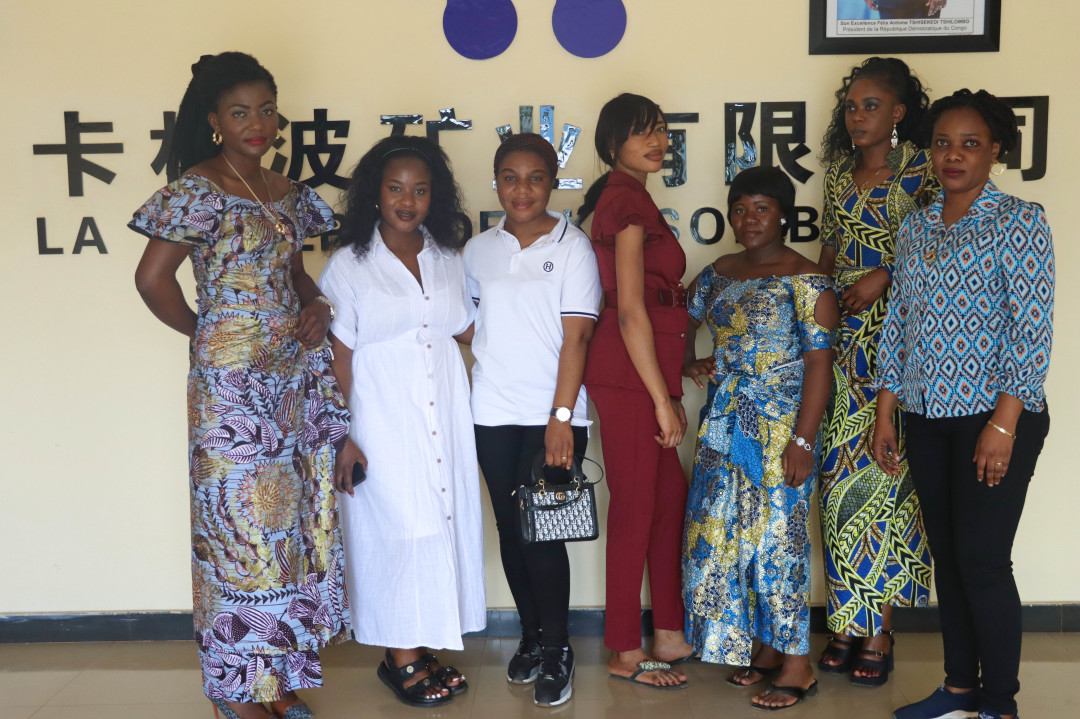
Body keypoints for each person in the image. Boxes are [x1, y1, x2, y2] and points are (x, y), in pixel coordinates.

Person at [129, 52, 350, 719]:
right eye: (240, 112)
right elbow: (151, 280)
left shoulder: (287, 192)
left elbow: (295, 274)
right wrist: (209, 335)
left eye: (266, 110)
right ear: (215, 121)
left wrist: (317, 307)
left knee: (284, 533)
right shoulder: (198, 189)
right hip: (230, 394)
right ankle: (232, 691)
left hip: (290, 384)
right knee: (235, 533)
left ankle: (274, 681)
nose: (257, 123)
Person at [874, 89, 1053, 719]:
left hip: (996, 416)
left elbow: (1032, 329)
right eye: (943, 143)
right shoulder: (917, 226)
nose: (953, 155)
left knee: (982, 560)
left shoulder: (1019, 221)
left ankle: (999, 704)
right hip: (927, 416)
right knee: (947, 560)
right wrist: (886, 410)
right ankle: (958, 690)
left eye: (970, 144)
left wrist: (1003, 424)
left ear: (995, 149)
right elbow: (900, 321)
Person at [318, 135, 485, 708]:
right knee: (397, 529)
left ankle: (420, 642)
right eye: (395, 189)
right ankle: (400, 656)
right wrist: (341, 435)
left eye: (419, 190)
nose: (407, 201)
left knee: (439, 522)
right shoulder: (350, 265)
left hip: (445, 412)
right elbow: (337, 357)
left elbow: (466, 328)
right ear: (375, 193)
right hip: (381, 418)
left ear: (435, 197)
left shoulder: (447, 258)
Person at [681, 166, 838, 711]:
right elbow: (682, 319)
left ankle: (798, 665)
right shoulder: (719, 272)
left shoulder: (807, 279)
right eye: (740, 209)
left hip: (779, 433)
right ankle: (766, 649)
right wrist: (689, 361)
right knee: (724, 536)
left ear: (784, 216)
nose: (749, 219)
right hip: (724, 427)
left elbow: (820, 366)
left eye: (762, 209)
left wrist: (804, 441)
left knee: (778, 541)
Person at [464, 133, 601, 707]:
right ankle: (529, 635)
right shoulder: (478, 250)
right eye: (510, 178)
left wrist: (561, 417)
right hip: (492, 411)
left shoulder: (574, 247)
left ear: (552, 182)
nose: (522, 190)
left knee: (543, 534)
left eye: (536, 177)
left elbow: (578, 337)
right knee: (511, 531)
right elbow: (468, 324)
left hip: (553, 415)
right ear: (496, 182)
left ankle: (557, 649)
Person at [815, 56, 937, 686]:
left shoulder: (922, 168)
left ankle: (879, 628)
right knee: (839, 481)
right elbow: (831, 245)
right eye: (851, 106)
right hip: (843, 342)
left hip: (897, 336)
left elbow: (937, 244)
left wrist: (883, 275)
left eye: (871, 105)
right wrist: (819, 305)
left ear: (898, 112)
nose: (857, 116)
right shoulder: (839, 173)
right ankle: (845, 620)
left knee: (887, 481)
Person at [577, 92, 696, 689]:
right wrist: (658, 399)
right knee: (635, 507)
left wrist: (670, 386)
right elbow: (628, 310)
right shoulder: (623, 200)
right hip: (627, 375)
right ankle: (625, 649)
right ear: (611, 143)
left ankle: (669, 632)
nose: (658, 141)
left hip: (648, 372)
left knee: (669, 497)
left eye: (662, 130)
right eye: (642, 132)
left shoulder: (634, 197)